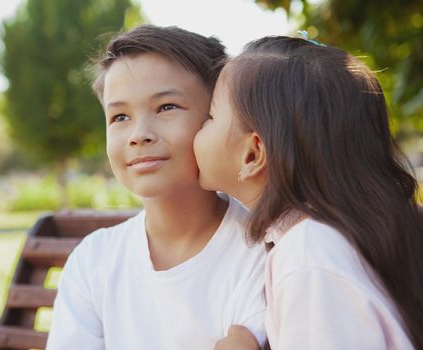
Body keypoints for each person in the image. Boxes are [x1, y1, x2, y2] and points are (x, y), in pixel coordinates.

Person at [194, 35, 423, 349]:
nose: (197, 129)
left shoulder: (307, 256)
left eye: (210, 116)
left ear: (252, 154)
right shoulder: (330, 238)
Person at [46, 25, 267, 350]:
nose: (139, 134)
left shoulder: (259, 253)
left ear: (216, 118)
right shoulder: (93, 262)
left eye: (166, 107)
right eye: (120, 117)